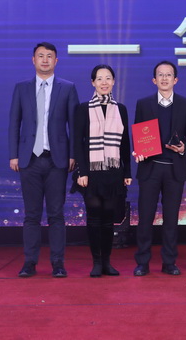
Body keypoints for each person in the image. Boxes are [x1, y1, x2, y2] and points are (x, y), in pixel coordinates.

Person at [8, 42, 79, 278]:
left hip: (57, 160)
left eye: (49, 56)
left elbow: (74, 125)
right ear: (33, 60)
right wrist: (14, 154)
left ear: (56, 61)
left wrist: (73, 155)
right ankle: (29, 262)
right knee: (31, 215)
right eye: (41, 56)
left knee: (57, 214)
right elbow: (14, 123)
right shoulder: (21, 88)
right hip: (29, 160)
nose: (45, 60)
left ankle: (58, 263)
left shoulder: (67, 88)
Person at [132, 61, 186, 276]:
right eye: (160, 75)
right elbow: (138, 132)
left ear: (175, 80)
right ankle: (142, 262)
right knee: (145, 218)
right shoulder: (143, 104)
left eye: (168, 75)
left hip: (174, 169)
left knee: (171, 219)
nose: (164, 78)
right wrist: (139, 150)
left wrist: (184, 147)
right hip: (150, 169)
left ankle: (169, 262)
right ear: (154, 80)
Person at [73, 65, 133, 277]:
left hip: (113, 171)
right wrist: (82, 172)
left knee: (108, 219)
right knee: (94, 217)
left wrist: (127, 172)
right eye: (99, 78)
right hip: (91, 171)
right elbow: (78, 143)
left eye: (108, 78)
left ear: (113, 82)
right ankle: (96, 262)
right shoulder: (83, 108)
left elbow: (125, 143)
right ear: (93, 83)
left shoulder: (121, 109)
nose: (104, 82)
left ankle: (107, 262)